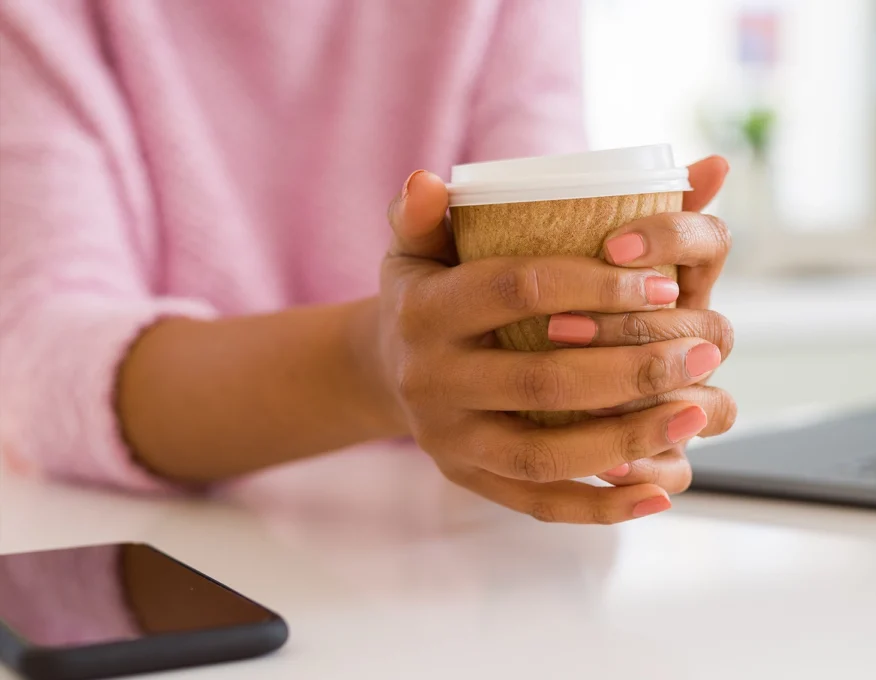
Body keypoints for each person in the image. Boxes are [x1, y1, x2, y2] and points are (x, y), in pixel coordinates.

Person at [0, 0, 735, 524]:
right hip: (176, 547)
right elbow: (37, 359)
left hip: (451, 553)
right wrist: (373, 363)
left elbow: (537, 217)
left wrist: (612, 351)